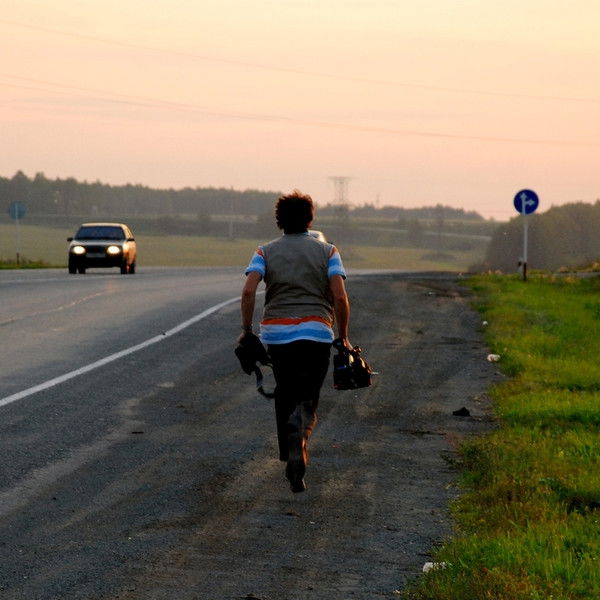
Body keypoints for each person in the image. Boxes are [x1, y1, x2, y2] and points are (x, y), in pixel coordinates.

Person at [239, 190, 351, 493]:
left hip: (277, 336)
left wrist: (247, 330)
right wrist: (343, 337)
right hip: (316, 334)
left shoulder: (264, 251)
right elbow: (340, 297)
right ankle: (300, 437)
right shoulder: (329, 251)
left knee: (285, 392)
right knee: (308, 396)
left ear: (279, 220)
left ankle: (289, 450)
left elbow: (248, 291)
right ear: (309, 219)